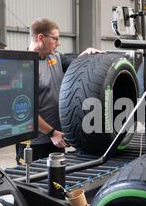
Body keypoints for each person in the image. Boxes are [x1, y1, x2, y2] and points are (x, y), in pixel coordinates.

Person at [16, 18, 104, 164]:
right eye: (55, 39)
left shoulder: (55, 57)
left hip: (57, 138)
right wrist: (51, 132)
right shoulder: (23, 68)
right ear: (41, 38)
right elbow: (25, 112)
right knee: (34, 183)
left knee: (57, 181)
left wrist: (86, 55)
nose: (58, 43)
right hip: (34, 144)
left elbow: (75, 65)